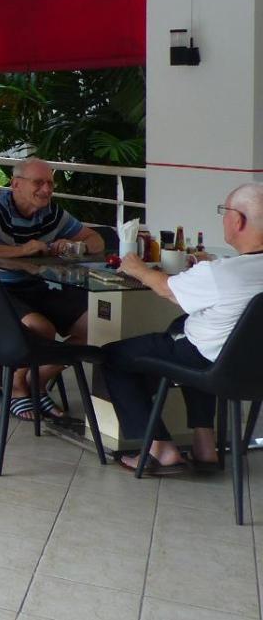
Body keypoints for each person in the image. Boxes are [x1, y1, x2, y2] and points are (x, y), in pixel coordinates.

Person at [103, 184, 263, 474]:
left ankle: (161, 449)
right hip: (251, 368)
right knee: (186, 331)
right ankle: (205, 444)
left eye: (224, 212)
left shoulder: (220, 275)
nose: (223, 218)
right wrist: (211, 267)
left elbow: (167, 289)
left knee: (114, 356)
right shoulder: (225, 270)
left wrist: (137, 268)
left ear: (238, 220)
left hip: (211, 363)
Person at [0, 158, 103, 420]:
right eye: (38, 183)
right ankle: (15, 386)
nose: (46, 189)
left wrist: (73, 244)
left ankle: (36, 381)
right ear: (16, 184)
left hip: (37, 287)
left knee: (99, 327)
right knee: (41, 328)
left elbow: (96, 241)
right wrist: (22, 251)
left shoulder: (51, 213)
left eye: (50, 183)